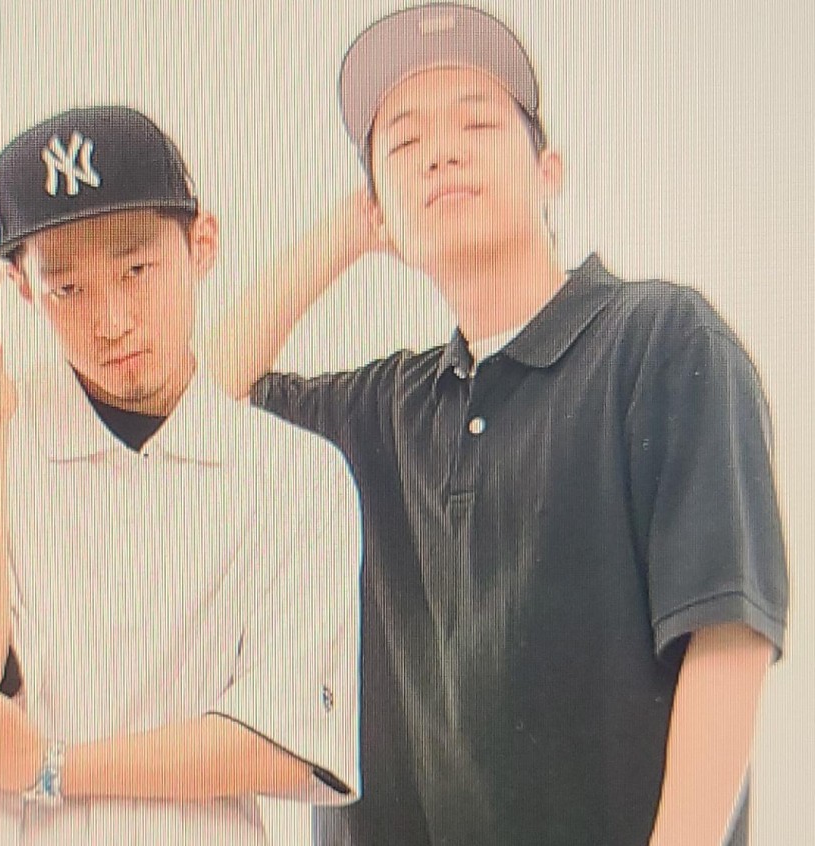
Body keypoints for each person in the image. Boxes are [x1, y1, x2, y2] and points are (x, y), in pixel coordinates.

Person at [210, 5, 789, 845]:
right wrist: (343, 235)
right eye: (403, 144)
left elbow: (727, 634)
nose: (440, 152)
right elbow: (197, 410)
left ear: (549, 171)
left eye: (477, 124)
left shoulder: (660, 341)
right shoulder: (380, 412)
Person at [0, 105, 361, 845]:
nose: (110, 320)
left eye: (136, 270)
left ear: (202, 245)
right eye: (66, 288)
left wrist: (49, 766)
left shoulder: (296, 474)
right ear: (23, 288)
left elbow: (277, 740)